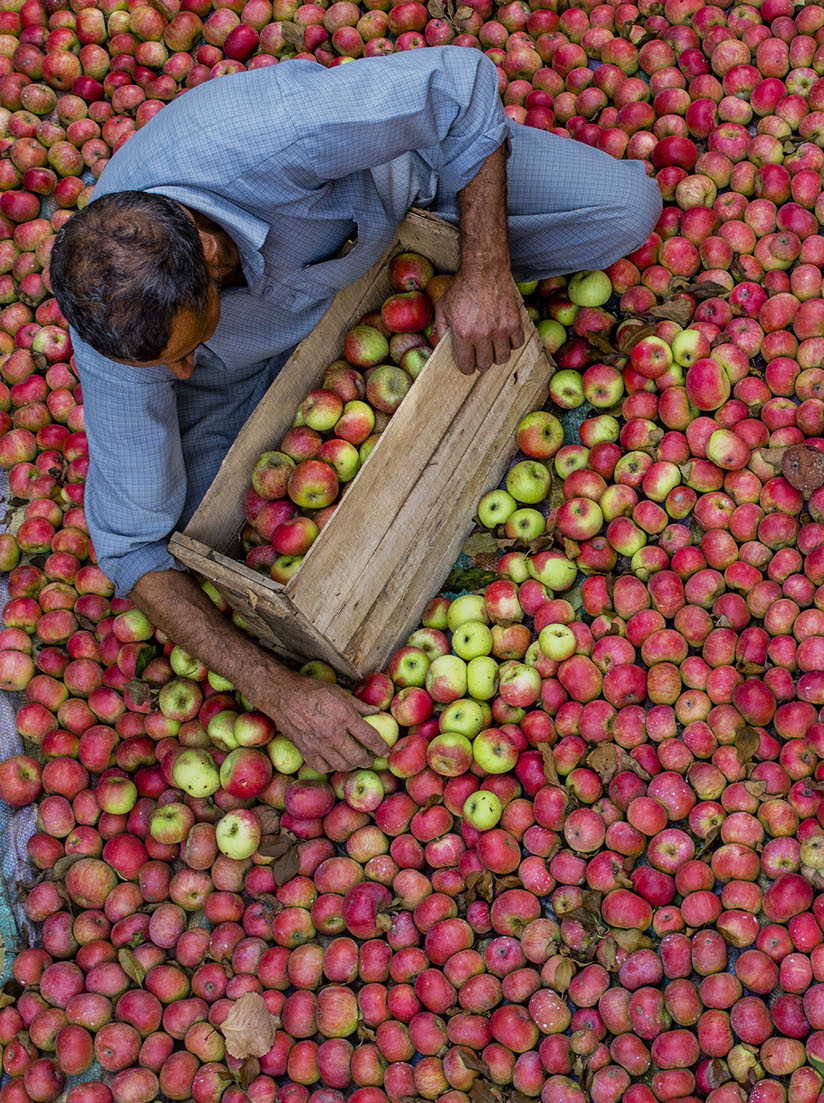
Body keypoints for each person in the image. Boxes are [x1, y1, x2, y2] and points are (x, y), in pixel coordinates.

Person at [50, 47, 662, 772]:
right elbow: (130, 547)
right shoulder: (122, 335)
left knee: (625, 209)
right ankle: (287, 374)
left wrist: (484, 270)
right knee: (210, 530)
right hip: (254, 370)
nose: (178, 373)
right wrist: (275, 690)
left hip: (403, 211)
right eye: (165, 366)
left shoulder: (274, 135)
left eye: (190, 345)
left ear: (211, 252)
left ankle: (447, 258)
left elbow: (462, 82)